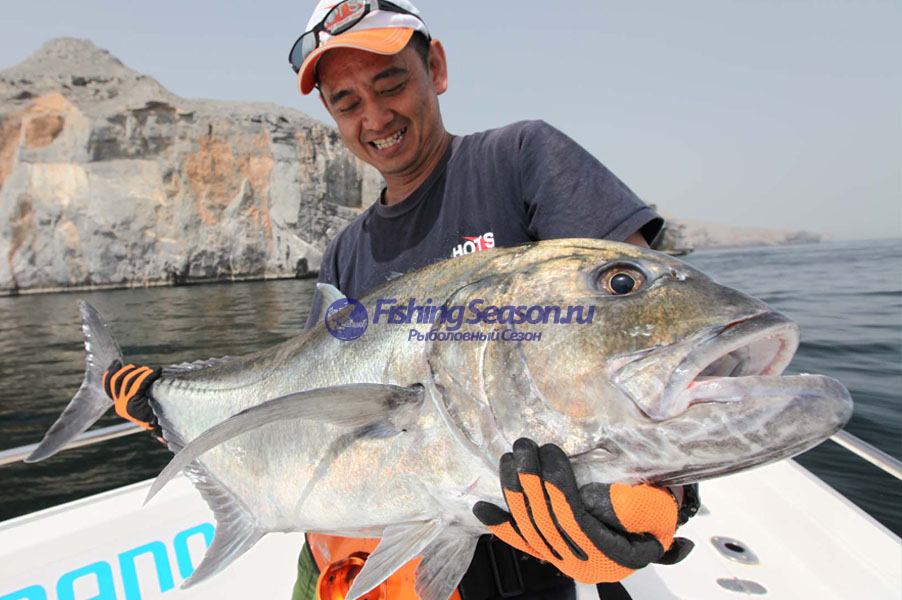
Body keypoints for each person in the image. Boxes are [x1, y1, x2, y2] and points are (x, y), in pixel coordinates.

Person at [103, 1, 698, 598]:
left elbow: (644, 322)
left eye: (391, 85)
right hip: (369, 567)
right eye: (347, 103)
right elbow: (302, 398)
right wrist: (173, 413)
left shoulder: (519, 161)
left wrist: (667, 490)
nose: (375, 117)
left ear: (435, 68)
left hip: (515, 574)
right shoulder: (346, 252)